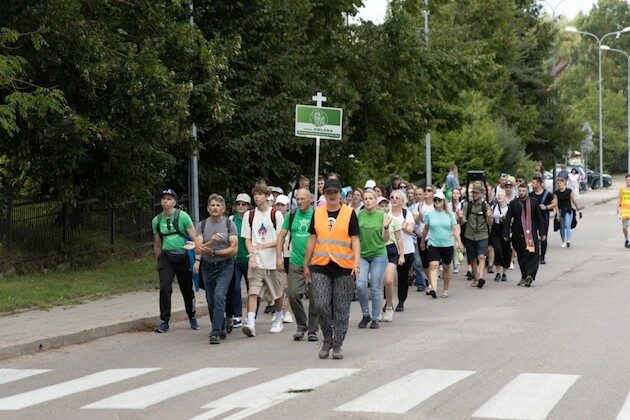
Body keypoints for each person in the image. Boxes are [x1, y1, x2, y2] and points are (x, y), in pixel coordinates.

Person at [304, 178, 360, 359]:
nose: (332, 195)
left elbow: (355, 240)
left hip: (344, 266)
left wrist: (356, 263)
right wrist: (306, 263)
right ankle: (327, 337)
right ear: (324, 194)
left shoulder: (349, 213)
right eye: (329, 192)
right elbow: (312, 238)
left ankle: (337, 344)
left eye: (335, 192)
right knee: (320, 304)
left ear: (340, 194)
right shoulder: (318, 212)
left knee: (341, 308)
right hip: (320, 264)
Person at [151, 188, 198, 333]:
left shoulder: (183, 216)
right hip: (167, 257)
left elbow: (195, 238)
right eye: (163, 198)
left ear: (175, 202)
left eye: (169, 199)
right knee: (165, 287)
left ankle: (192, 316)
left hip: (183, 255)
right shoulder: (156, 220)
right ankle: (164, 320)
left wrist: (196, 258)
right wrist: (159, 260)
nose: (165, 201)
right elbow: (157, 242)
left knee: (186, 289)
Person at [241, 182, 285, 337]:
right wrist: (252, 254)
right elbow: (247, 238)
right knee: (253, 291)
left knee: (277, 293)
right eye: (255, 194)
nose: (256, 197)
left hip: (273, 261)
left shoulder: (276, 215)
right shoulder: (249, 215)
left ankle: (278, 317)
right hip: (256, 262)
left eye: (259, 194)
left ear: (267, 196)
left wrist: (267, 247)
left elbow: (281, 238)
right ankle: (251, 322)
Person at [276, 188, 319, 342]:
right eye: (297, 199)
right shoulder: (291, 215)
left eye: (302, 199)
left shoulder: (317, 214)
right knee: (293, 294)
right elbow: (281, 237)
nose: (299, 202)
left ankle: (313, 329)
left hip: (315, 263)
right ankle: (302, 325)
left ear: (310, 200)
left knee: (315, 298)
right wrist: (279, 258)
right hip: (295, 261)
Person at [194, 194, 238, 344]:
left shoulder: (229, 225)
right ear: (207, 208)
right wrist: (212, 242)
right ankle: (221, 324)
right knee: (210, 300)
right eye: (212, 205)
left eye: (218, 205)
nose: (215, 208)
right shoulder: (202, 225)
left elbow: (233, 250)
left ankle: (216, 332)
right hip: (207, 267)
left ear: (223, 209)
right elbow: (198, 249)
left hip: (225, 266)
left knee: (219, 296)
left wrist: (215, 252)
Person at [356, 189, 390, 329]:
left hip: (378, 255)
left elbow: (386, 239)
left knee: (375, 286)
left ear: (376, 200)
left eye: (371, 198)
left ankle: (376, 318)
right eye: (366, 198)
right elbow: (355, 237)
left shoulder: (382, 215)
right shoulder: (359, 214)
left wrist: (386, 227)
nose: (368, 200)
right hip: (362, 255)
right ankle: (365, 315)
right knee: (360, 284)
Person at [420, 190, 463, 298]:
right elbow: (425, 229)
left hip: (447, 244)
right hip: (433, 244)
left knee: (447, 267)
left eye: (439, 199)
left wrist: (459, 242)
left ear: (443, 201)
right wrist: (422, 241)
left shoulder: (450, 214)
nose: (437, 201)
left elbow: (455, 229)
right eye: (435, 200)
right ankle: (434, 288)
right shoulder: (429, 214)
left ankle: (445, 289)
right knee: (433, 265)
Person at [504, 183, 545, 287]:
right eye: (520, 191)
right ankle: (523, 275)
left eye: (524, 191)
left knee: (533, 254)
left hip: (531, 233)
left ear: (527, 191)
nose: (522, 193)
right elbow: (508, 219)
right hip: (518, 234)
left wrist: (542, 232)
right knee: (522, 256)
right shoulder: (514, 203)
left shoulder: (534, 202)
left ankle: (530, 275)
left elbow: (539, 218)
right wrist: (505, 233)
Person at [458, 185, 493, 289]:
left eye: (476, 193)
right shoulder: (467, 206)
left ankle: (481, 277)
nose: (474, 195)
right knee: (472, 258)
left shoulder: (485, 206)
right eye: (473, 193)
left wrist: (489, 216)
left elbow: (490, 223)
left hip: (482, 234)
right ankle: (476, 278)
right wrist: (460, 217)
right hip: (469, 234)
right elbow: (462, 222)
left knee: (481, 256)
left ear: (481, 194)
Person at [388, 189, 416, 311]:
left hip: (406, 250)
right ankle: (388, 302)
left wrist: (404, 228)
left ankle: (401, 301)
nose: (394, 199)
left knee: (402, 277)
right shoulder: (386, 214)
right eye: (392, 197)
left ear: (402, 201)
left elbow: (411, 230)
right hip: (389, 249)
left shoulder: (407, 213)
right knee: (388, 278)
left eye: (397, 197)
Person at [227, 193, 251, 330]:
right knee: (235, 288)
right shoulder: (231, 220)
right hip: (235, 259)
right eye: (238, 204)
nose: (241, 206)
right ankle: (237, 316)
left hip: (249, 259)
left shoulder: (251, 219)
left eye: (244, 204)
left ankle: (251, 316)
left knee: (252, 289)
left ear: (248, 206)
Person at [529, 176, 555, 264]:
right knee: (533, 237)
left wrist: (546, 207)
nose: (532, 184)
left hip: (544, 219)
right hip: (533, 219)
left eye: (534, 183)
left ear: (539, 183)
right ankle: (534, 255)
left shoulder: (547, 194)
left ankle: (542, 256)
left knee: (543, 237)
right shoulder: (531, 195)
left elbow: (554, 203)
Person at [490, 190, 511, 282]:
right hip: (496, 230)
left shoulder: (509, 207)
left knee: (506, 250)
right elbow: (490, 221)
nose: (499, 196)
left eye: (501, 195)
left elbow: (513, 221)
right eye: (498, 195)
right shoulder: (493, 207)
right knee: (497, 249)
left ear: (505, 196)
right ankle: (498, 272)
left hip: (506, 230)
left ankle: (504, 272)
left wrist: (506, 218)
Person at [554, 177, 581, 248]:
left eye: (560, 183)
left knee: (567, 224)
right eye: (557, 183)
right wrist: (557, 214)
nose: (558, 185)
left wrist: (578, 209)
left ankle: (568, 240)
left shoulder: (569, 191)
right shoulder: (556, 193)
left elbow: (573, 200)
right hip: (560, 211)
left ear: (564, 183)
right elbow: (555, 204)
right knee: (562, 226)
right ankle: (563, 241)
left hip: (568, 210)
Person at [619, 174, 630, 248]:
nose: (628, 181)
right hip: (624, 210)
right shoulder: (622, 189)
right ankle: (626, 239)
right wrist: (618, 208)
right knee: (624, 227)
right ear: (625, 180)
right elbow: (619, 199)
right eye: (627, 179)